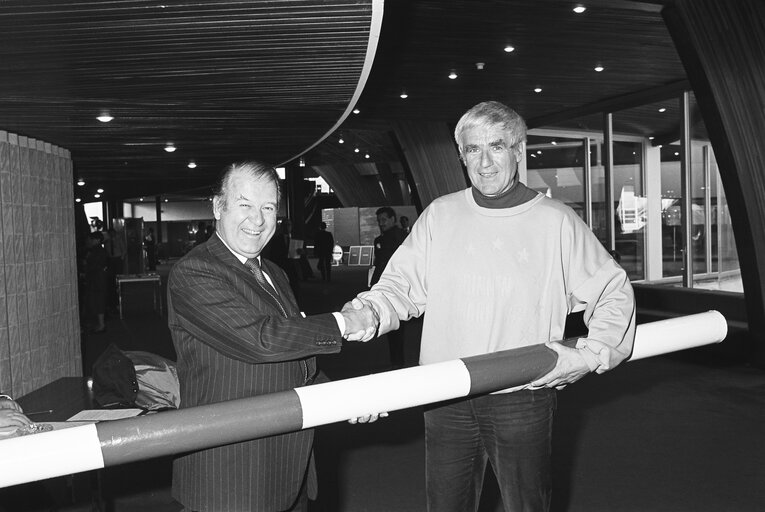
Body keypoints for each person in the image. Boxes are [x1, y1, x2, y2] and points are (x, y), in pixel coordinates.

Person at [348, 101, 636, 511]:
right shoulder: (440, 215)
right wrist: (370, 311)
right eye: (471, 149)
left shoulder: (556, 221)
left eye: (496, 147)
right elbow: (400, 285)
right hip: (445, 392)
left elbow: (612, 290)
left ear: (518, 151)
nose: (483, 162)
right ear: (461, 155)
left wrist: (591, 354)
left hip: (521, 396)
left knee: (527, 505)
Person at [167, 161, 377, 512]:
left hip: (287, 467)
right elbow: (261, 340)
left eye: (268, 208)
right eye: (245, 205)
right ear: (218, 206)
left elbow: (297, 363)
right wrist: (344, 322)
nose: (258, 220)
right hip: (230, 477)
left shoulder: (275, 273)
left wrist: (347, 397)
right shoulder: (195, 271)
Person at [370, 207, 407, 368]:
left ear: (393, 219)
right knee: (394, 328)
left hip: (394, 287)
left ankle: (397, 363)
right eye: (379, 220)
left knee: (394, 327)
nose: (381, 223)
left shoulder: (398, 238)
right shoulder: (383, 239)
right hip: (389, 286)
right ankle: (397, 361)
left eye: (384, 219)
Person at [83, 231, 109, 333]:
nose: (90, 241)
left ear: (98, 240)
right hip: (98, 279)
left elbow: (96, 265)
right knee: (98, 301)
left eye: (92, 239)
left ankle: (101, 324)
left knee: (98, 301)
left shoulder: (97, 251)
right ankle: (100, 324)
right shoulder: (99, 250)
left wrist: (87, 265)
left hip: (97, 279)